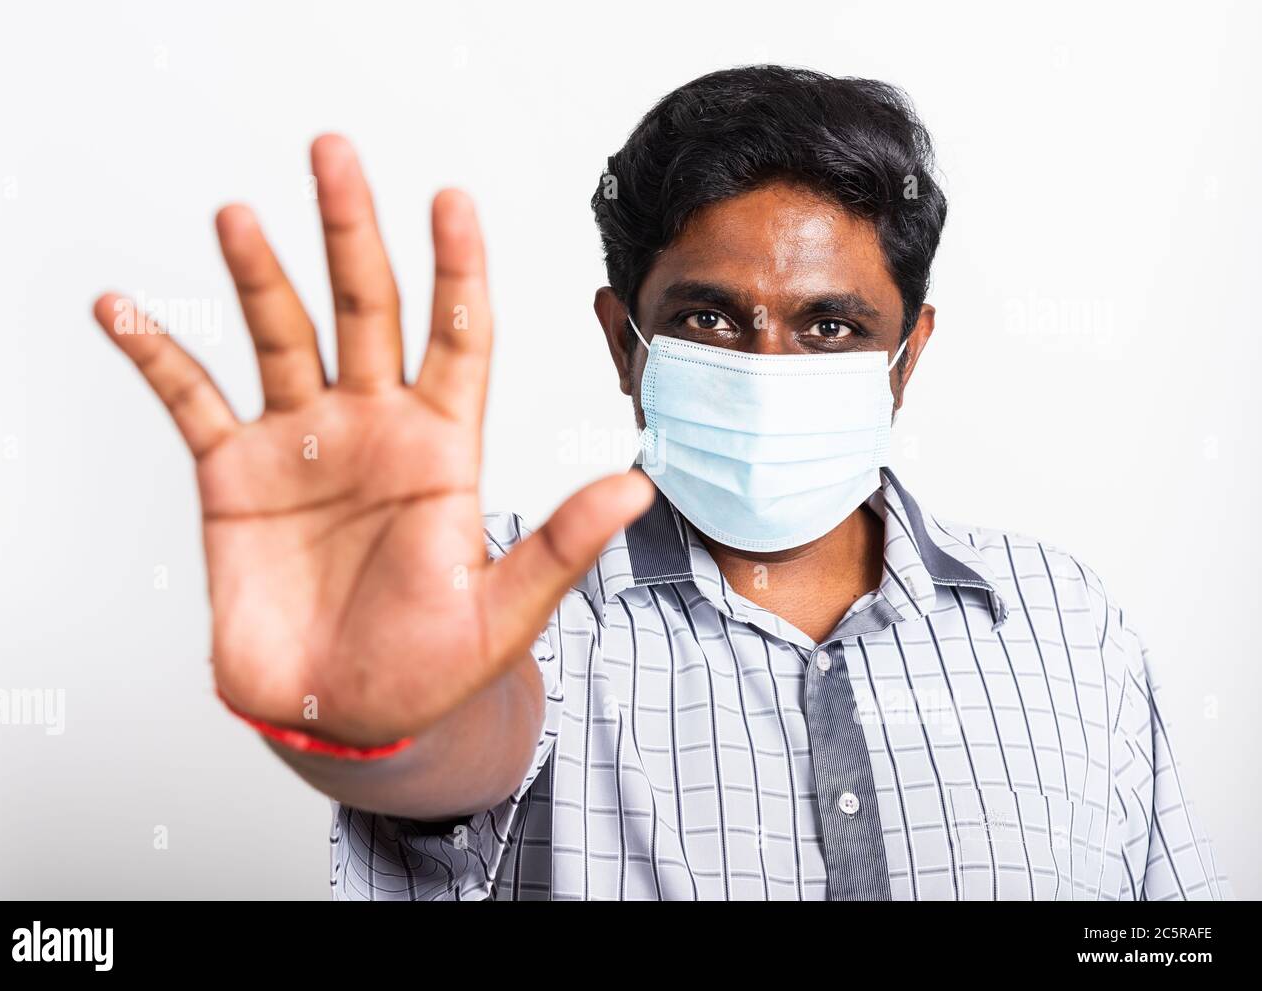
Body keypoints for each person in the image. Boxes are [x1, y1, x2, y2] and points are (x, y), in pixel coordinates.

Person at [91, 65, 1229, 901]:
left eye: (830, 324)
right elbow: (454, 729)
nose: (767, 362)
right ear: (625, 344)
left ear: (907, 355)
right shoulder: (495, 600)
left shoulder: (1069, 624)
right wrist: (390, 718)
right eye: (708, 317)